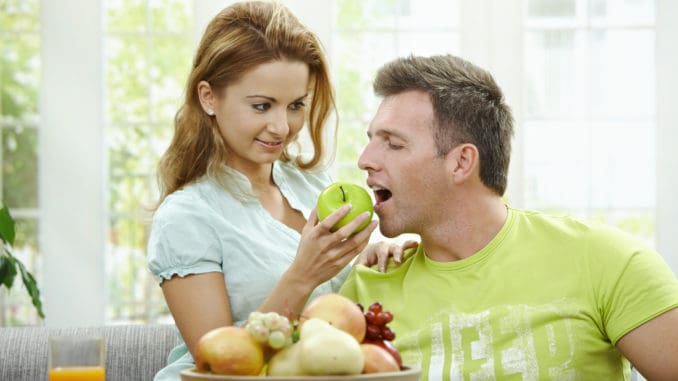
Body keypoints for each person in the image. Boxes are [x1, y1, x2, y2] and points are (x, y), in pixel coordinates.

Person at [339, 54, 678, 380]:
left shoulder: (605, 261)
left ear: (460, 163)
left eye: (394, 144)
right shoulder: (367, 289)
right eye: (371, 141)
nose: (365, 160)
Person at [146, 2, 403, 379]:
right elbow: (216, 366)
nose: (282, 127)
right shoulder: (186, 217)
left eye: (296, 105)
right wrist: (302, 275)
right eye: (262, 106)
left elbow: (336, 312)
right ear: (208, 97)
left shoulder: (313, 185)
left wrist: (373, 258)